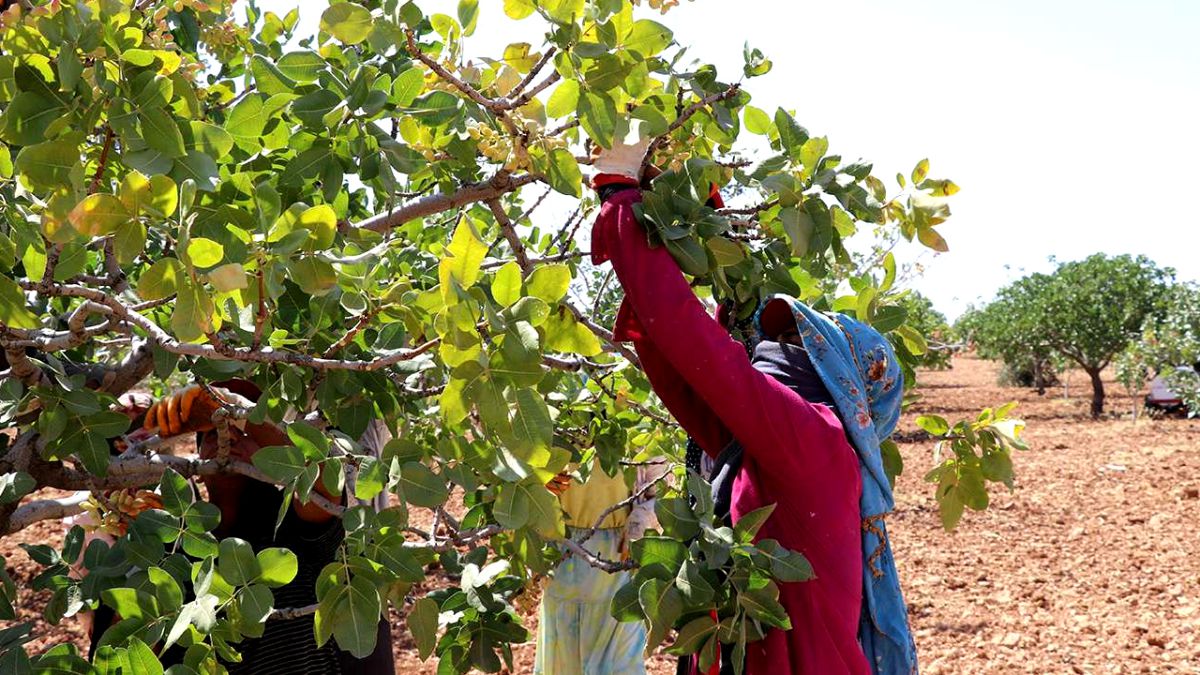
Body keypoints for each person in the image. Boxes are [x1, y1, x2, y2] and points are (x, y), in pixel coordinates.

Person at [587, 135, 918, 674]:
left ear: (842, 384)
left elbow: (711, 357)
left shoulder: (816, 438)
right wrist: (694, 220)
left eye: (796, 343)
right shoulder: (763, 446)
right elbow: (688, 362)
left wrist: (620, 194)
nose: (772, 347)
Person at [80, 381, 394, 673]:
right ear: (198, 466)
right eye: (212, 430)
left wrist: (231, 404)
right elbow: (123, 656)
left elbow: (319, 482)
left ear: (274, 457)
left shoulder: (295, 526)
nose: (227, 434)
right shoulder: (172, 549)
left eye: (242, 427)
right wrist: (139, 552)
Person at [534, 463, 657, 675]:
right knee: (565, 657)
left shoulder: (645, 431)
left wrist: (643, 518)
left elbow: (660, 482)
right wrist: (537, 478)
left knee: (619, 653)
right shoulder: (558, 431)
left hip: (619, 555)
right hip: (562, 551)